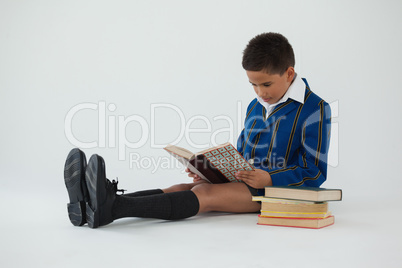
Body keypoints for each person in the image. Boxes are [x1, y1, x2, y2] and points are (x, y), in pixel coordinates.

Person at [63, 32, 331, 228]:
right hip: (244, 181)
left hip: (275, 191)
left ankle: (110, 209)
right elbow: (243, 152)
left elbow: (315, 171)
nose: (260, 93)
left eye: (266, 84)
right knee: (182, 186)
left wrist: (269, 179)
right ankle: (97, 201)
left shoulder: (314, 109)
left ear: (289, 73)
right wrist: (211, 169)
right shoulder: (256, 105)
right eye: (253, 85)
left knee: (203, 195)